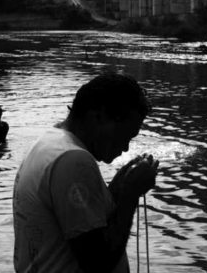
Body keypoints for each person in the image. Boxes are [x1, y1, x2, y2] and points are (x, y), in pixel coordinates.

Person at [13, 73, 159, 273]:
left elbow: (83, 223)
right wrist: (130, 196)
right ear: (98, 116)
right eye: (124, 135)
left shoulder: (50, 143)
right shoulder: (73, 160)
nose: (125, 147)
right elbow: (98, 264)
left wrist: (116, 190)